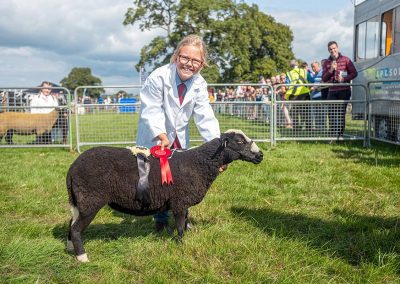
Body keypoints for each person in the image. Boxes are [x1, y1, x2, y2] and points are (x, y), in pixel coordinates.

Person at [136, 34, 220, 232]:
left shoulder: (199, 83)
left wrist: (218, 147)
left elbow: (205, 116)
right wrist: (161, 134)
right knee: (157, 179)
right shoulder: (159, 76)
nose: (189, 64)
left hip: (180, 140)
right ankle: (160, 217)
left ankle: (182, 217)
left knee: (182, 180)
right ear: (176, 57)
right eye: (185, 58)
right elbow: (151, 108)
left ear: (202, 64)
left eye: (195, 61)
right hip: (156, 137)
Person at [322, 41, 358, 138]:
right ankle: (332, 135)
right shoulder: (326, 62)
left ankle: (340, 135)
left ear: (337, 48)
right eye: (330, 49)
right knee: (331, 113)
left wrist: (344, 79)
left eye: (334, 48)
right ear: (328, 51)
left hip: (344, 90)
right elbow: (324, 78)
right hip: (332, 90)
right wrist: (330, 70)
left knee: (341, 114)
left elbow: (354, 73)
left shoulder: (346, 60)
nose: (333, 50)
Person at [285, 59, 314, 130]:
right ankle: (309, 128)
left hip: (294, 95)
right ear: (297, 65)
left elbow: (287, 84)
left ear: (291, 66)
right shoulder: (304, 71)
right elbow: (312, 80)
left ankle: (296, 128)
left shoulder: (289, 73)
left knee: (295, 112)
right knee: (306, 112)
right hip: (304, 93)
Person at [310, 60, 325, 130]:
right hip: (314, 96)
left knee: (321, 113)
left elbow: (323, 83)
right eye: (312, 67)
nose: (313, 68)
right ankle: (317, 127)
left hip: (320, 95)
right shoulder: (314, 74)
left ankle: (322, 127)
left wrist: (316, 87)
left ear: (318, 66)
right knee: (316, 113)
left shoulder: (322, 73)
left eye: (314, 67)